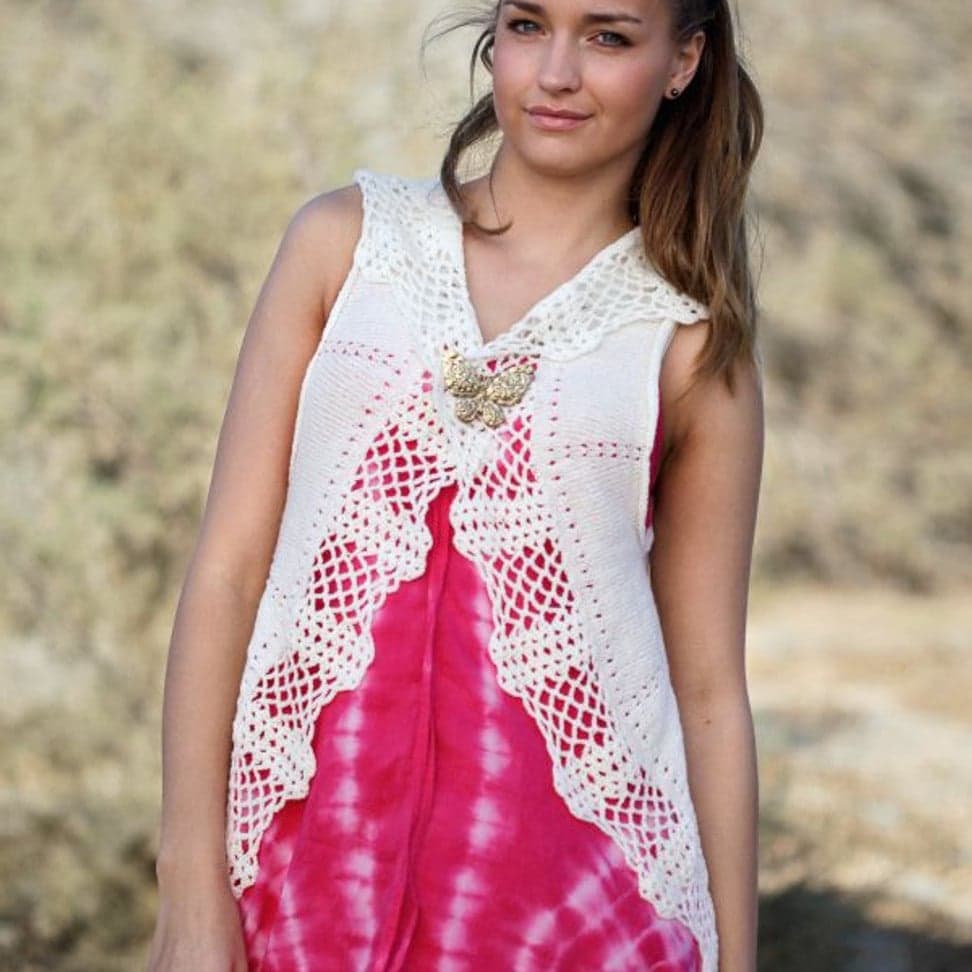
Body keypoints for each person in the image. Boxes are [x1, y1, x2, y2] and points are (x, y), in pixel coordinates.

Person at [146, 1, 764, 970]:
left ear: (683, 60)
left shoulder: (685, 342)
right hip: (304, 884)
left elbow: (709, 690)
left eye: (608, 36)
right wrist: (189, 883)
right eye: (528, 25)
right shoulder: (346, 245)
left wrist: (738, 957)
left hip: (572, 916)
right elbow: (227, 571)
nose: (555, 73)